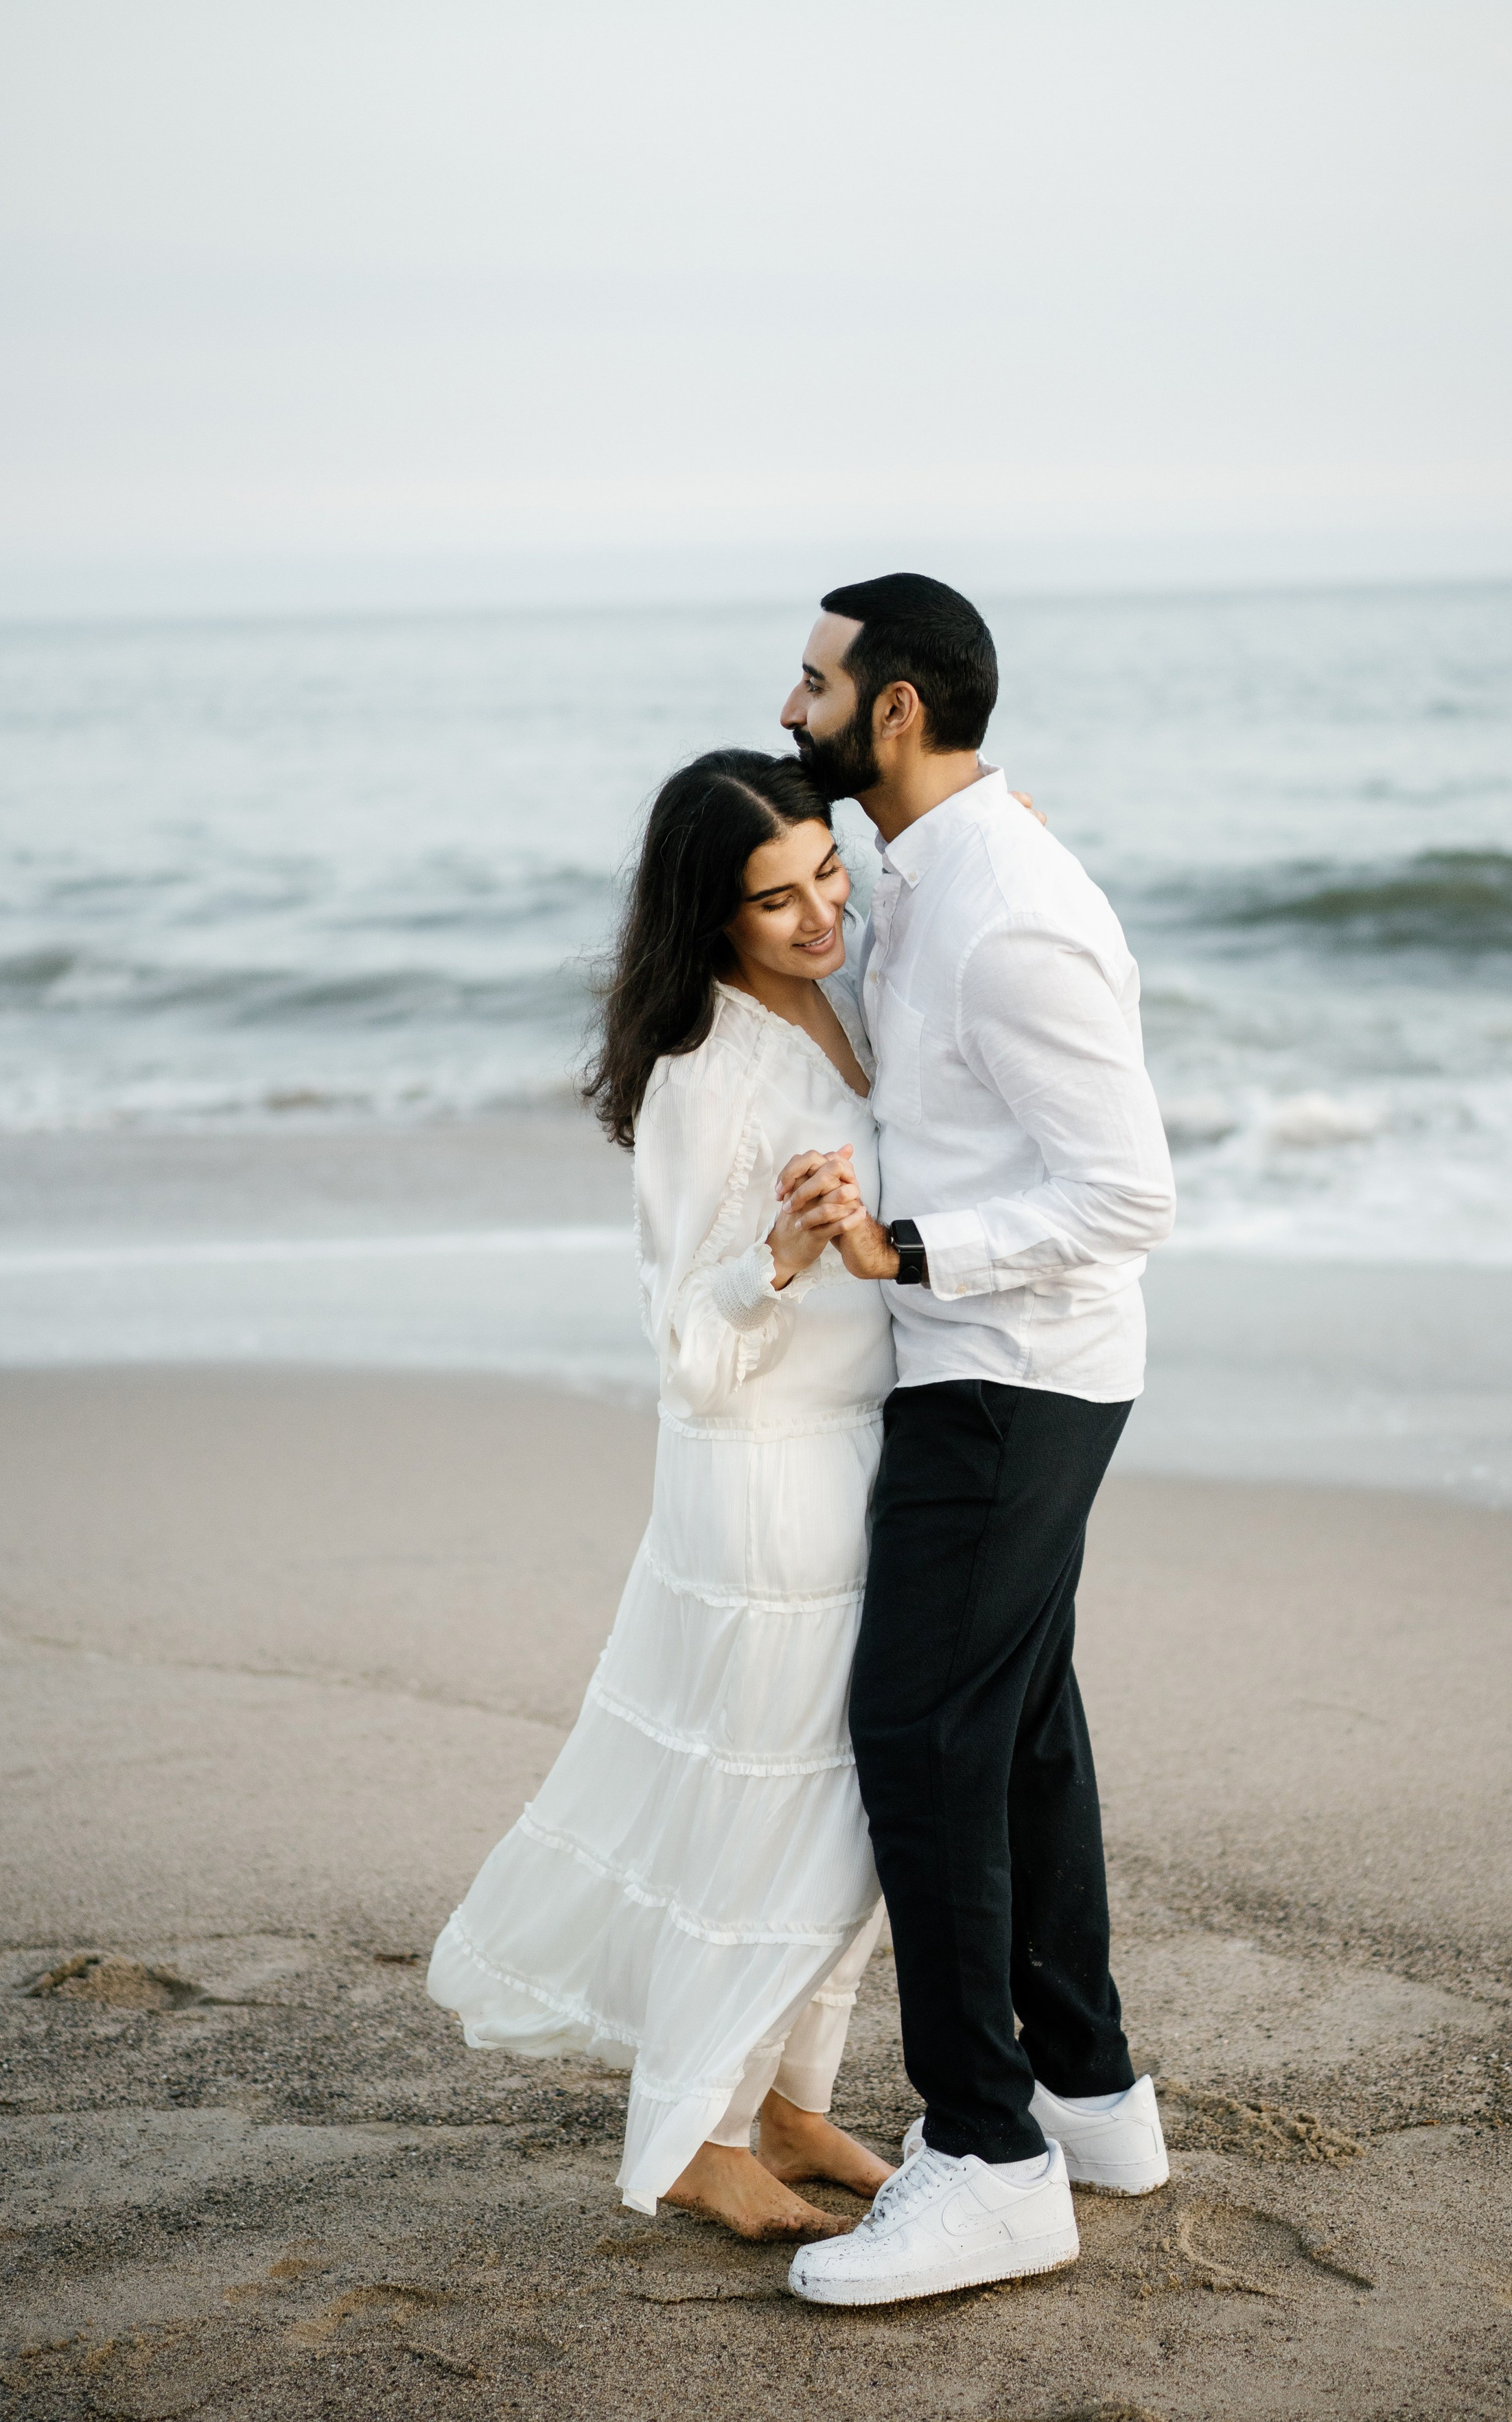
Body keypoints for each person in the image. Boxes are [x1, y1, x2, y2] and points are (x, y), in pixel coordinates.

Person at [427, 750, 898, 2238]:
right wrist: (781, 1250)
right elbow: (685, 1347)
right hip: (761, 1473)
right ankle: (694, 2132)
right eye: (775, 899)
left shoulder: (846, 984)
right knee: (766, 1815)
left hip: (855, 1444)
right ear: (711, 918)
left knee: (849, 1806)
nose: (820, 911)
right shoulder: (708, 1067)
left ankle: (790, 2100)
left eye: (828, 871)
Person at [775, 574, 1178, 2307]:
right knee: (1012, 1731)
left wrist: (910, 1252)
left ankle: (988, 2157)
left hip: (1006, 1375)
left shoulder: (1005, 906)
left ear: (894, 709)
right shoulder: (936, 876)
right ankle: (1086, 2096)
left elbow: (1126, 1194)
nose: (786, 708)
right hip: (1002, 1368)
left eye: (811, 683)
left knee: (918, 1730)